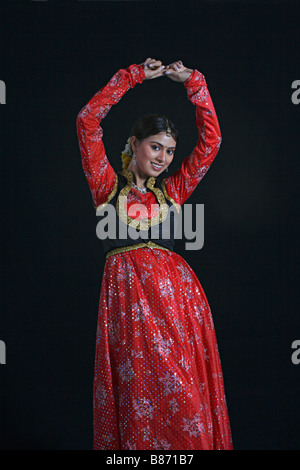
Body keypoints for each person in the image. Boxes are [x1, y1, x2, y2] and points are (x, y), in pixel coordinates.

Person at [76, 58, 233, 450]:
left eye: (169, 151)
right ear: (135, 144)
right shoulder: (107, 187)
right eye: (155, 146)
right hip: (127, 306)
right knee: (138, 396)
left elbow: (211, 143)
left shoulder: (173, 193)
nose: (163, 158)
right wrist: (131, 78)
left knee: (184, 399)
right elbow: (87, 122)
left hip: (176, 306)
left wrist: (194, 84)